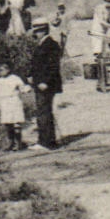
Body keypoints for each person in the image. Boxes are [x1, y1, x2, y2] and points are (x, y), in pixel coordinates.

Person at [27, 21, 63, 150]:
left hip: (46, 84)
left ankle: (46, 142)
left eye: (36, 31)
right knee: (43, 111)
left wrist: (45, 82)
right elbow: (37, 64)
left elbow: (53, 66)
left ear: (43, 31)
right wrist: (31, 75)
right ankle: (46, 140)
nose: (35, 34)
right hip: (40, 83)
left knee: (44, 111)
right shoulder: (42, 44)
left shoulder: (51, 45)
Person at [0, 64, 30, 151]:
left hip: (14, 101)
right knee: (8, 123)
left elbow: (22, 87)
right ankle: (11, 143)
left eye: (3, 70)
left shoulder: (15, 78)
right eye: (0, 70)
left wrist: (27, 89)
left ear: (8, 70)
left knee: (16, 122)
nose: (1, 72)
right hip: (4, 103)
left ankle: (19, 143)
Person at [90, 0, 110, 91]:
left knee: (103, 57)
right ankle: (100, 83)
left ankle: (104, 81)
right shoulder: (99, 8)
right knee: (99, 57)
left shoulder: (109, 9)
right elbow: (101, 21)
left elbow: (108, 19)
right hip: (97, 33)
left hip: (103, 34)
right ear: (107, 1)